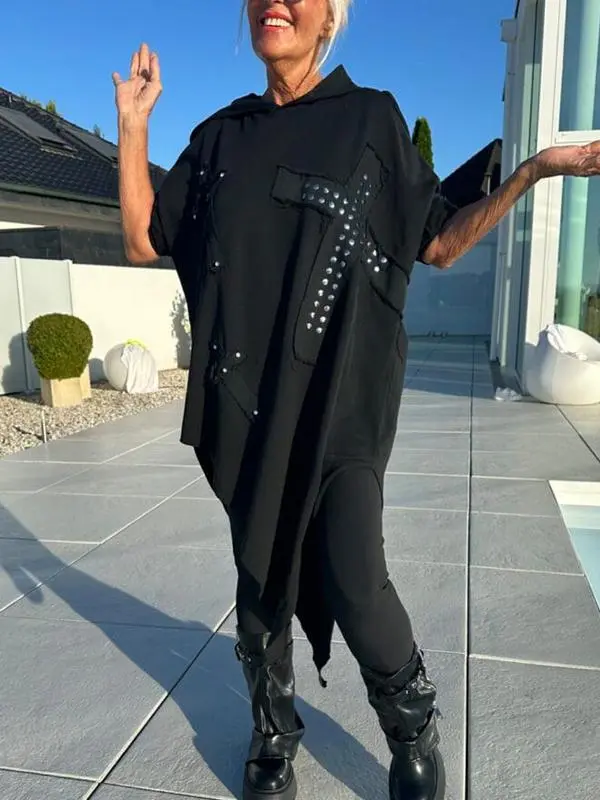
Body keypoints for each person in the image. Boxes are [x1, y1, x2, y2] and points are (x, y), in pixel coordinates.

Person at [113, 2, 600, 799]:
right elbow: (142, 238)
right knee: (260, 580)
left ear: (329, 19)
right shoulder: (220, 140)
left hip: (342, 401)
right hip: (250, 409)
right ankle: (274, 732)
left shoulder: (370, 121)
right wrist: (134, 126)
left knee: (354, 575)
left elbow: (437, 241)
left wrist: (532, 170)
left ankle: (411, 724)